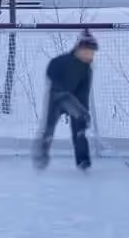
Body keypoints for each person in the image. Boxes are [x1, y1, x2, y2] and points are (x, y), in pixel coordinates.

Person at [34, 30, 98, 171]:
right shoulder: (61, 61)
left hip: (74, 99)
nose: (91, 55)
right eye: (89, 51)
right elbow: (52, 75)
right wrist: (64, 94)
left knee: (80, 130)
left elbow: (83, 92)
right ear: (80, 49)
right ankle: (41, 156)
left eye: (93, 52)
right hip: (57, 98)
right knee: (48, 129)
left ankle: (83, 161)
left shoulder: (87, 69)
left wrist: (84, 112)